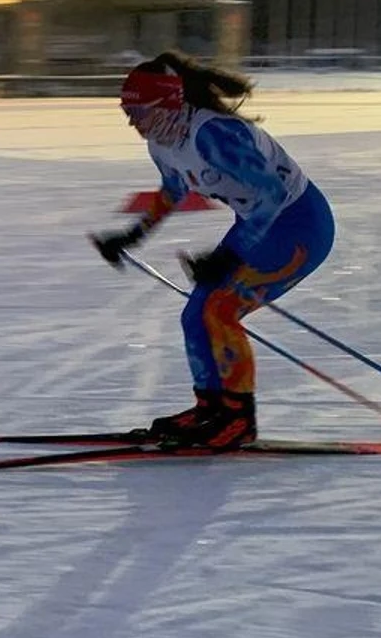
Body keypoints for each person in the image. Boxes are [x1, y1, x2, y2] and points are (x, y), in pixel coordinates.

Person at [90, 51, 335, 449]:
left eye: (137, 109)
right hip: (259, 224)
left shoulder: (214, 136)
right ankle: (211, 409)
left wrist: (231, 255)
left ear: (168, 104)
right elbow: (173, 191)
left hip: (299, 226)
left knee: (219, 310)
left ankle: (239, 420)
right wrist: (131, 236)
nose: (131, 120)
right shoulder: (162, 141)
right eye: (126, 110)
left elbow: (272, 195)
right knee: (195, 315)